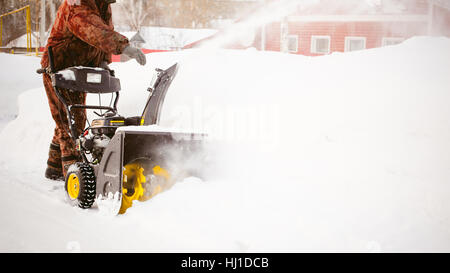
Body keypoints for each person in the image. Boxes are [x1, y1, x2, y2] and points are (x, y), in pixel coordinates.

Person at [41, 0, 146, 181]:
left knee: (69, 117)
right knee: (69, 122)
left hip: (80, 69)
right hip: (59, 67)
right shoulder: (77, 4)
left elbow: (105, 29)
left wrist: (104, 60)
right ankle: (74, 176)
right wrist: (124, 46)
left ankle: (54, 168)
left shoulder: (103, 5)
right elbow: (94, 31)